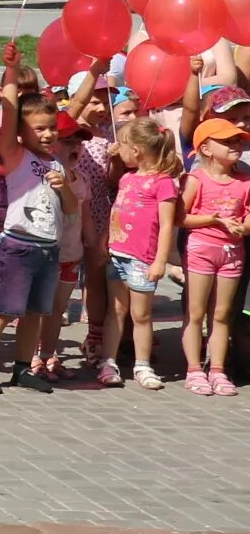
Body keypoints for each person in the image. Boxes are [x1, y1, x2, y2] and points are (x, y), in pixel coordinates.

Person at [0, 43, 65, 396]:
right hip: (19, 246)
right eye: (39, 128)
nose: (48, 134)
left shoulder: (56, 164)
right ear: (23, 133)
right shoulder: (15, 153)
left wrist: (64, 187)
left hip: (47, 248)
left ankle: (23, 369)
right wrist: (12, 71)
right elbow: (8, 117)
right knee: (3, 310)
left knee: (35, 312)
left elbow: (70, 208)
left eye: (52, 127)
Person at [103, 114, 179, 390]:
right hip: (117, 252)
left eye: (121, 145)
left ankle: (142, 364)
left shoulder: (163, 183)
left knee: (141, 315)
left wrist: (161, 260)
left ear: (135, 150)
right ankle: (107, 361)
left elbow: (168, 224)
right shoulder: (127, 179)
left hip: (142, 258)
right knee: (115, 310)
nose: (118, 149)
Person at [178, 112, 248, 395]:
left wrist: (242, 227)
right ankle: (194, 369)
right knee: (196, 312)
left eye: (238, 141)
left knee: (221, 314)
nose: (235, 145)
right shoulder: (195, 179)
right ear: (206, 148)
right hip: (201, 249)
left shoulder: (244, 181)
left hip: (233, 252)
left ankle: (217, 369)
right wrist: (214, 220)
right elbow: (180, 217)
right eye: (227, 141)